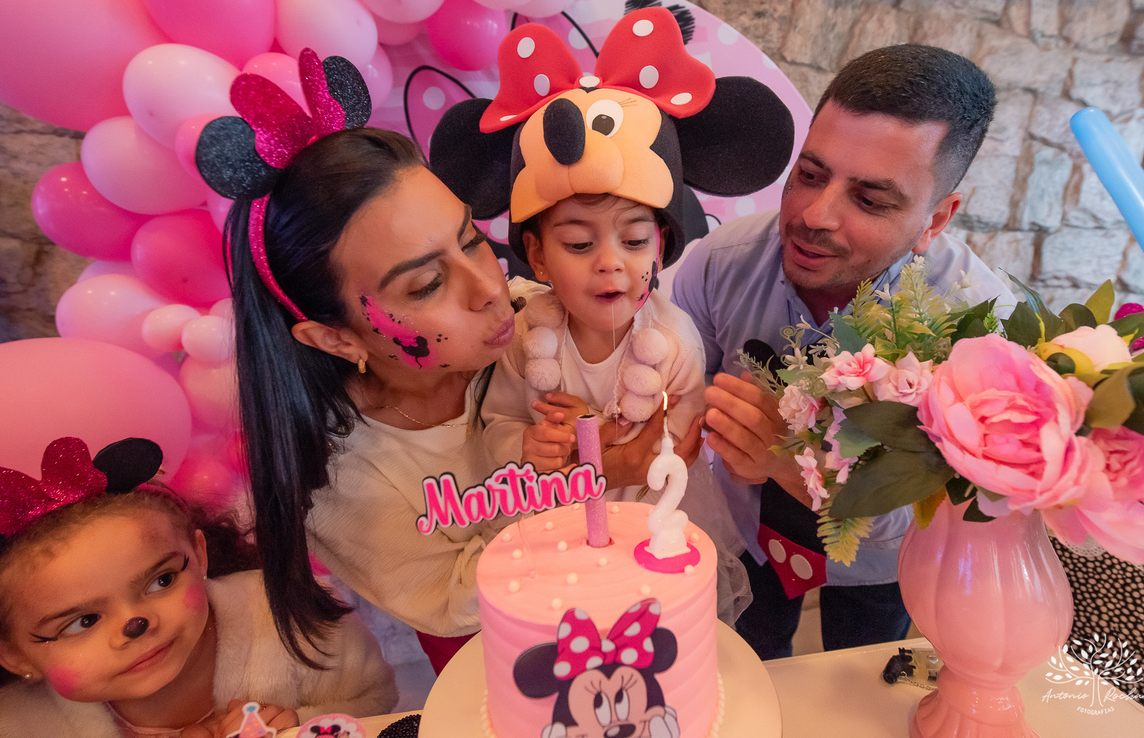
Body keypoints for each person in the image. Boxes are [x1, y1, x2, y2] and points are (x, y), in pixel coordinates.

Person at [204, 52, 674, 677]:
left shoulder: (538, 324)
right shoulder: (348, 482)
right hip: (517, 669)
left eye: (473, 238)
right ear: (337, 338)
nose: (488, 286)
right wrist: (591, 473)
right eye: (426, 285)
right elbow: (453, 602)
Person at [672, 44, 1019, 659]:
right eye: (809, 174)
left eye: (870, 200)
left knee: (860, 694)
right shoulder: (716, 266)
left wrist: (788, 459)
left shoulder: (982, 334)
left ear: (936, 221)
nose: (814, 215)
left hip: (885, 570)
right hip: (742, 543)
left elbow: (945, 515)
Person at [0, 437, 396, 738]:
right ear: (16, 656)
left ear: (199, 554)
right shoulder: (19, 722)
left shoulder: (293, 618)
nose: (136, 624)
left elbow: (380, 705)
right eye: (83, 621)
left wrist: (302, 728)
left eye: (162, 580)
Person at [479, 190, 749, 624]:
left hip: (646, 525)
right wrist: (529, 444)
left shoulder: (674, 342)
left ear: (658, 248)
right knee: (571, 629)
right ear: (537, 254)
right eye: (580, 245)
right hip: (556, 527)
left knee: (651, 632)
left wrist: (593, 432)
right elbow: (499, 423)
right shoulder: (527, 336)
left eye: (635, 241)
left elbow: (675, 452)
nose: (610, 262)